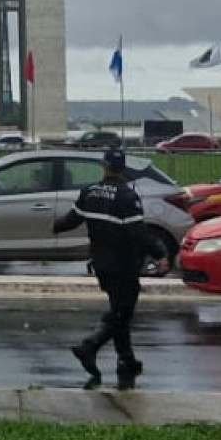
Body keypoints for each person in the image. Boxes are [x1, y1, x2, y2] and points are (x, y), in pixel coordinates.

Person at [57, 149, 149, 388]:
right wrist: (160, 254)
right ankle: (90, 346)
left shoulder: (89, 192)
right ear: (123, 168)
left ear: (104, 166)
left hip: (101, 265)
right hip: (124, 265)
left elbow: (71, 220)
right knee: (122, 312)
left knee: (119, 309)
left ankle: (126, 359)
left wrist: (54, 226)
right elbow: (137, 232)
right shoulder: (127, 196)